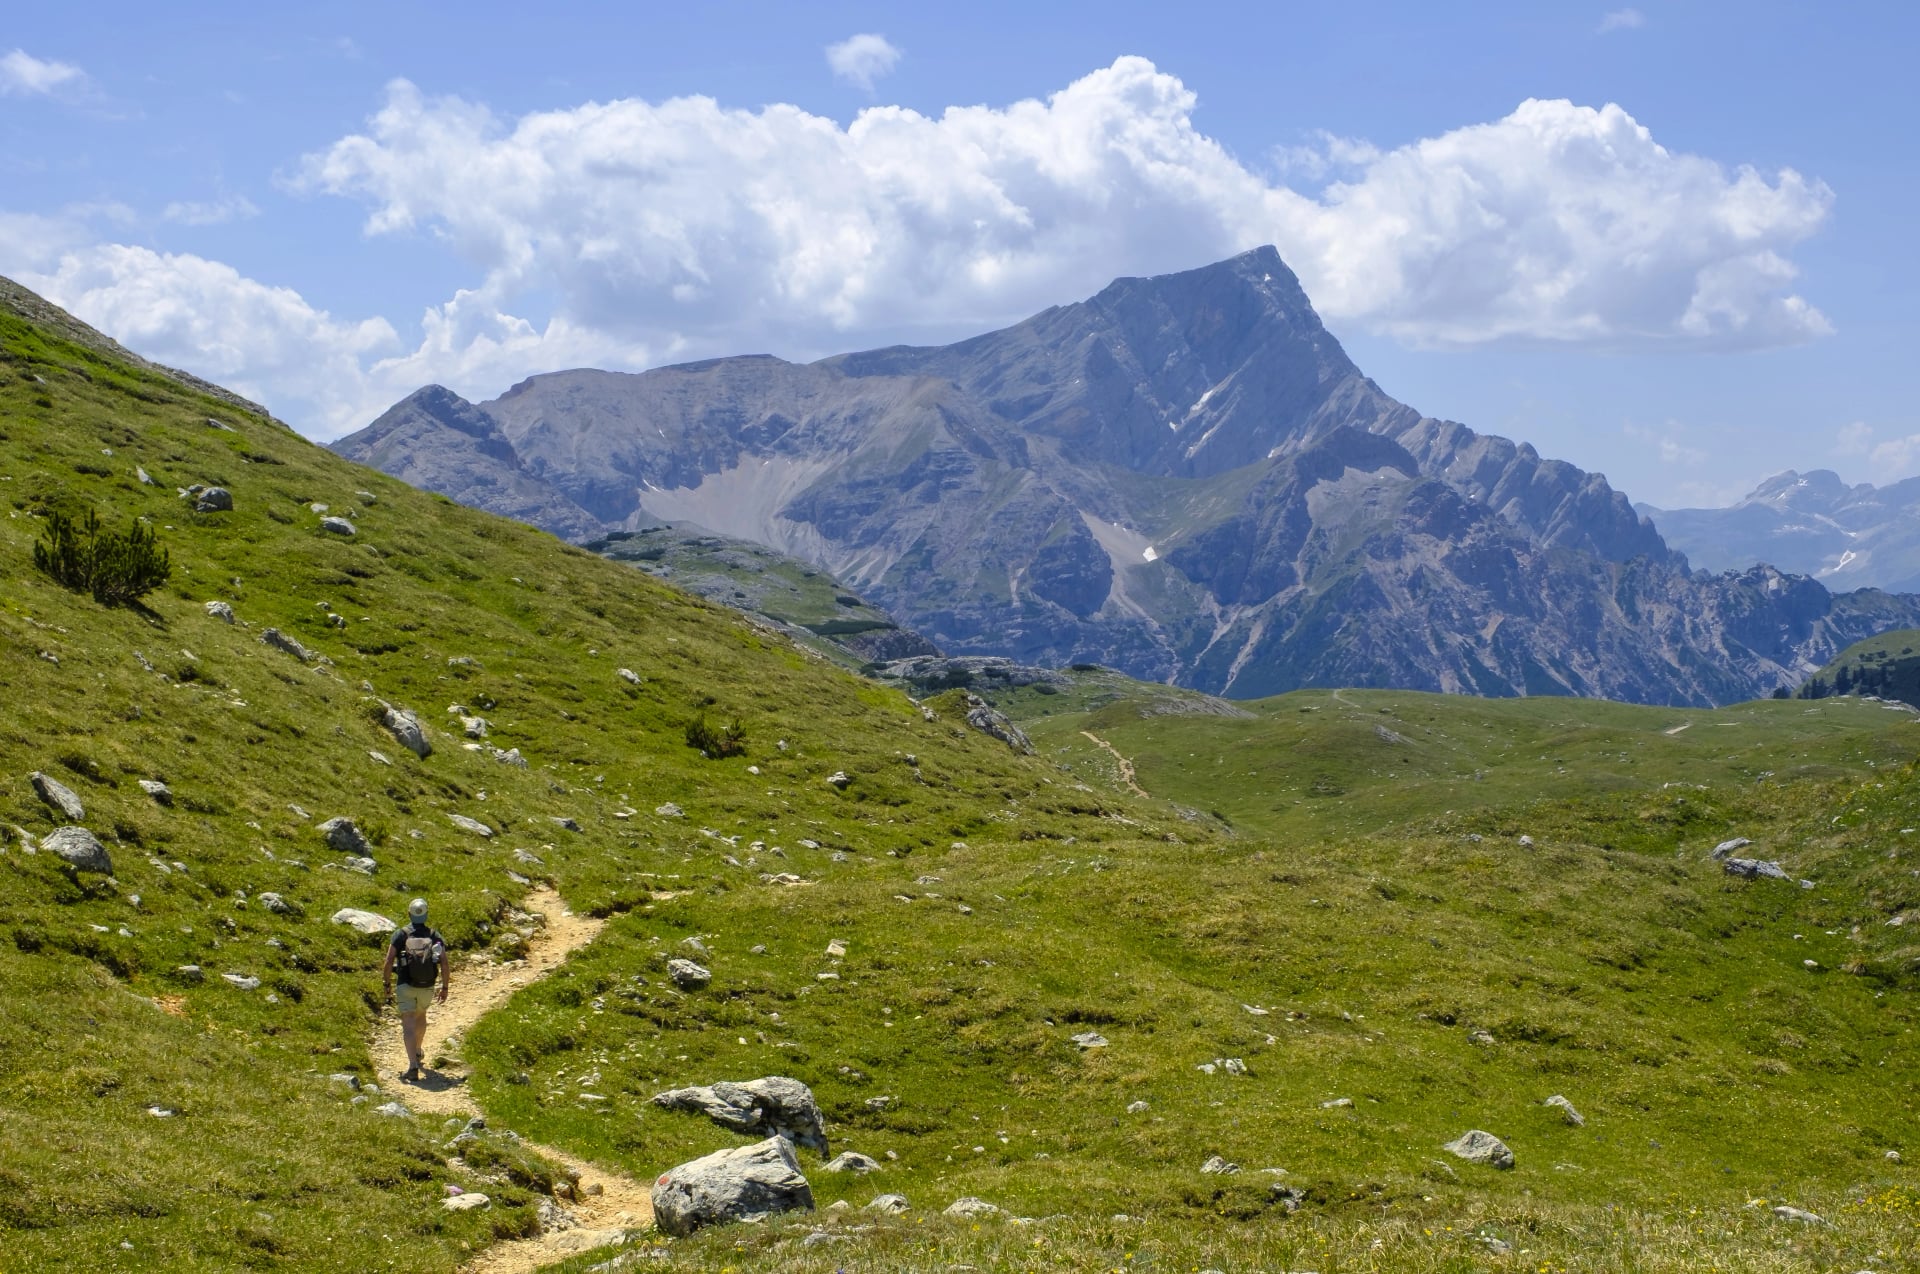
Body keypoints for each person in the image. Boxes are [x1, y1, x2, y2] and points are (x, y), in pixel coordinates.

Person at [381, 898, 449, 1081]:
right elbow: (443, 962)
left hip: (405, 985)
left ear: (409, 914)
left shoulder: (400, 935)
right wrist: (445, 987)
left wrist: (386, 983)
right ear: (426, 914)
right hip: (427, 985)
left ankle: (412, 1066)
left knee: (408, 1022)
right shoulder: (435, 935)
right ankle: (418, 1051)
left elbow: (388, 962)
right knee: (421, 1017)